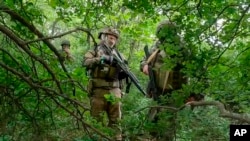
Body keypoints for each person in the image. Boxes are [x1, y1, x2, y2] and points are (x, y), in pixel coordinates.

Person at [140, 20, 203, 140]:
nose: (163, 37)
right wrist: (144, 65)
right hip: (156, 92)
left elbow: (200, 73)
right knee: (151, 124)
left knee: (166, 129)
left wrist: (195, 95)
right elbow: (144, 59)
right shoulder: (157, 46)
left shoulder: (184, 49)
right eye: (161, 34)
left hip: (174, 94)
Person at [82, 27, 127, 141]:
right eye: (110, 37)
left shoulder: (120, 55)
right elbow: (85, 62)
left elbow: (124, 73)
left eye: (114, 39)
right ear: (105, 37)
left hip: (115, 90)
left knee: (116, 121)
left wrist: (122, 69)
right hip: (98, 91)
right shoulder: (95, 50)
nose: (112, 40)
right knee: (96, 121)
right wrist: (100, 59)